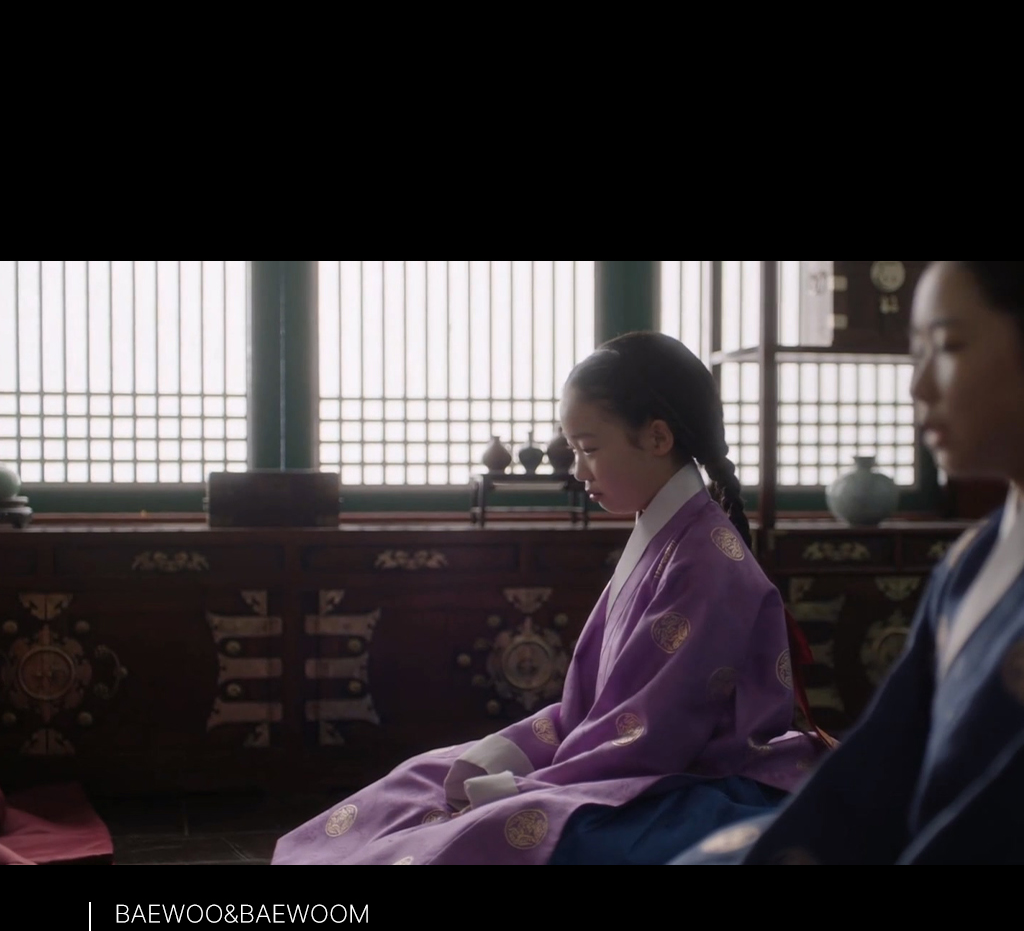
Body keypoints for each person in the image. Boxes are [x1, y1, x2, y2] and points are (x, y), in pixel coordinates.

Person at [273, 332, 828, 866]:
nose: (579, 470)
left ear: (658, 438)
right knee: (422, 778)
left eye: (589, 449)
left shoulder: (704, 561)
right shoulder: (667, 534)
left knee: (497, 826)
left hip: (690, 776)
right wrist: (505, 757)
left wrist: (528, 785)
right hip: (625, 754)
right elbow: (592, 710)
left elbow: (653, 736)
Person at [673, 260, 1024, 865]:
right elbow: (881, 764)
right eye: (916, 353)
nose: (919, 387)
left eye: (948, 347)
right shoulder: (972, 559)